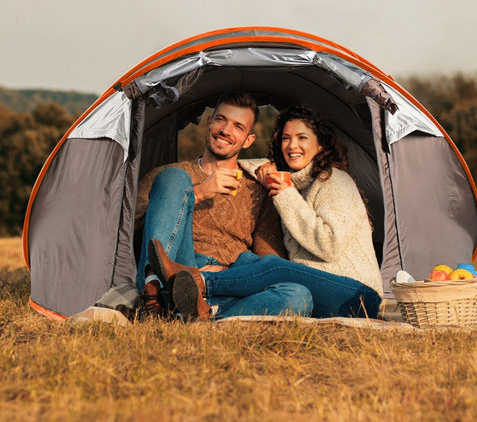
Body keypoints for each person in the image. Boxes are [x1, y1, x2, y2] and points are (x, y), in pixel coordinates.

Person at [149, 103, 384, 320]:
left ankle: (199, 281)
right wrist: (264, 168)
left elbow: (329, 244)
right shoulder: (294, 184)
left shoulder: (334, 180)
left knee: (274, 266)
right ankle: (207, 311)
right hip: (316, 291)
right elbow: (246, 163)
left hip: (357, 295)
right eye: (285, 138)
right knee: (278, 282)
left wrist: (285, 194)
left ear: (320, 145)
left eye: (302, 138)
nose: (292, 146)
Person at [134, 92, 312, 320]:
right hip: (178, 266)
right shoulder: (168, 176)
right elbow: (132, 227)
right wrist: (198, 193)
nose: (226, 131)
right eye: (221, 120)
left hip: (229, 279)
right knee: (174, 177)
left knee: (299, 295)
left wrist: (224, 278)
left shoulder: (256, 189)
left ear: (248, 140)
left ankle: (200, 313)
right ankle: (155, 294)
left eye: (238, 126)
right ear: (209, 123)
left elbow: (268, 260)